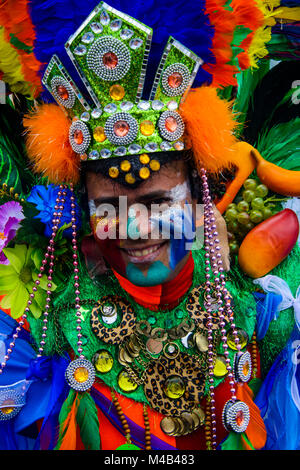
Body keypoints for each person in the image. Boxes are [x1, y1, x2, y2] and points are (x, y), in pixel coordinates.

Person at [0, 0, 299, 451]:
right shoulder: (53, 331)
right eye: (108, 207)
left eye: (158, 201)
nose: (134, 228)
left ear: (200, 199)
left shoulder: (262, 318)